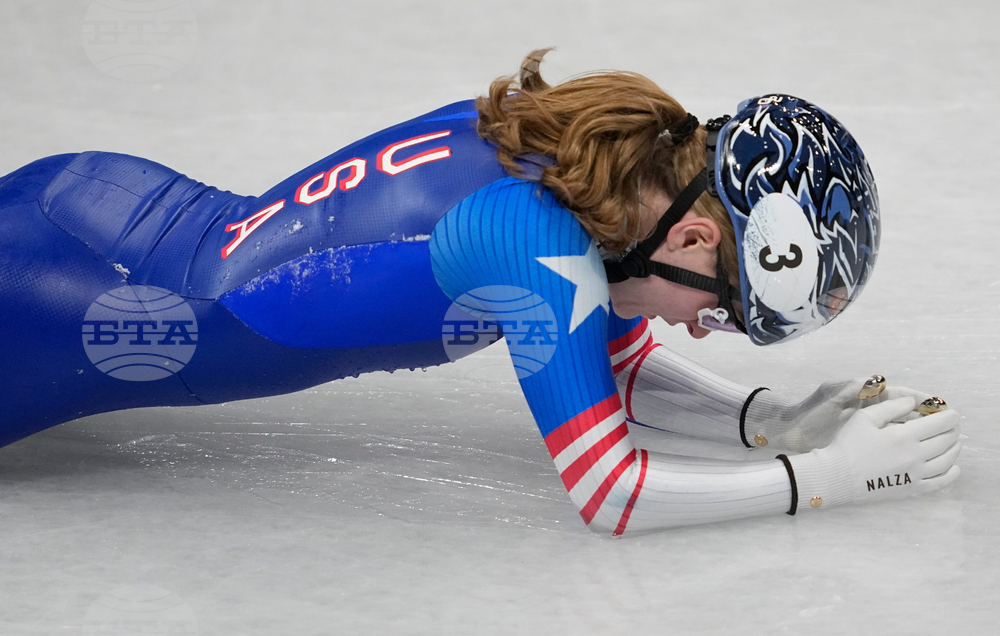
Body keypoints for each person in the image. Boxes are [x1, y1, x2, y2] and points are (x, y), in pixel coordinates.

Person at [0, 50, 961, 535]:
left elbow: (616, 367)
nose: (702, 331)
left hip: (96, 218)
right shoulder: (536, 244)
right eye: (724, 308)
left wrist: (769, 420)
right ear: (698, 235)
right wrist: (818, 484)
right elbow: (609, 493)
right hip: (68, 305)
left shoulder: (582, 162)